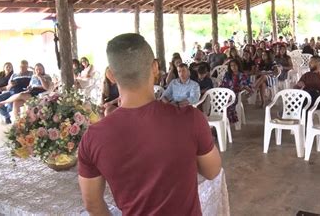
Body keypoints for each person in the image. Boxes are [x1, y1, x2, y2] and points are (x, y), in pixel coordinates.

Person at [78, 33, 221, 215]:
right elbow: (212, 170)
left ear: (111, 76)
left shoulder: (93, 137)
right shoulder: (190, 119)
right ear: (155, 68)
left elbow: (92, 203)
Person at [220, 59, 251, 125]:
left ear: (238, 66)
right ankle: (219, 121)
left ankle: (226, 122)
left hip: (235, 94)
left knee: (227, 104)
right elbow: (223, 84)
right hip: (225, 93)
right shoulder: (227, 74)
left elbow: (243, 86)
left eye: (235, 65)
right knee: (217, 102)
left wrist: (234, 90)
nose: (233, 67)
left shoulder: (242, 75)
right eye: (231, 66)